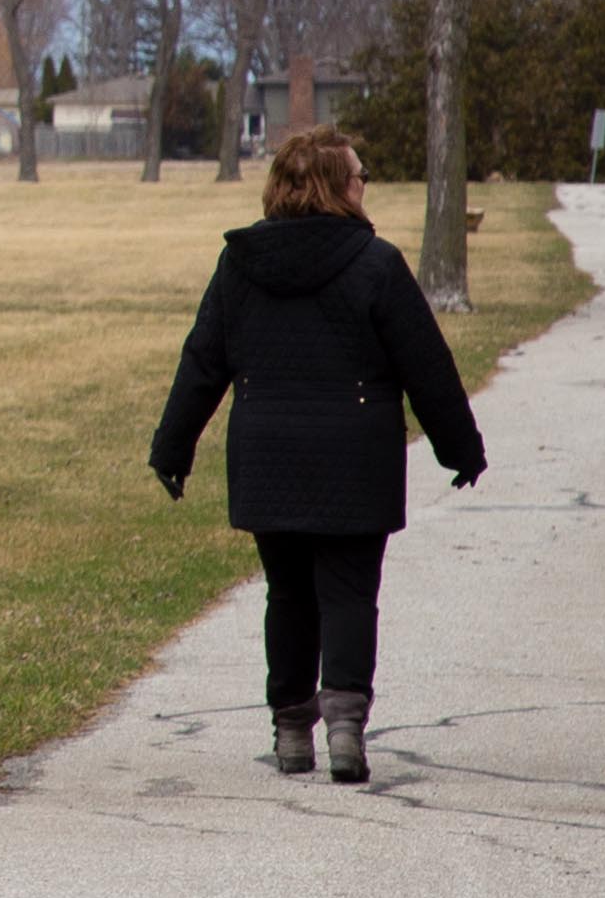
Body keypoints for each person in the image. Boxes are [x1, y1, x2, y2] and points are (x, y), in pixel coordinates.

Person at [150, 125, 488, 785]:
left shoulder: (241, 266)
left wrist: (173, 446)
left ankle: (289, 730)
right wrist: (460, 447)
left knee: (288, 594)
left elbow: (203, 361)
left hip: (267, 454)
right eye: (359, 175)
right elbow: (428, 366)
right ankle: (343, 731)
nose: (366, 185)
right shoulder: (375, 264)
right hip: (355, 458)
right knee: (351, 594)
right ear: (336, 187)